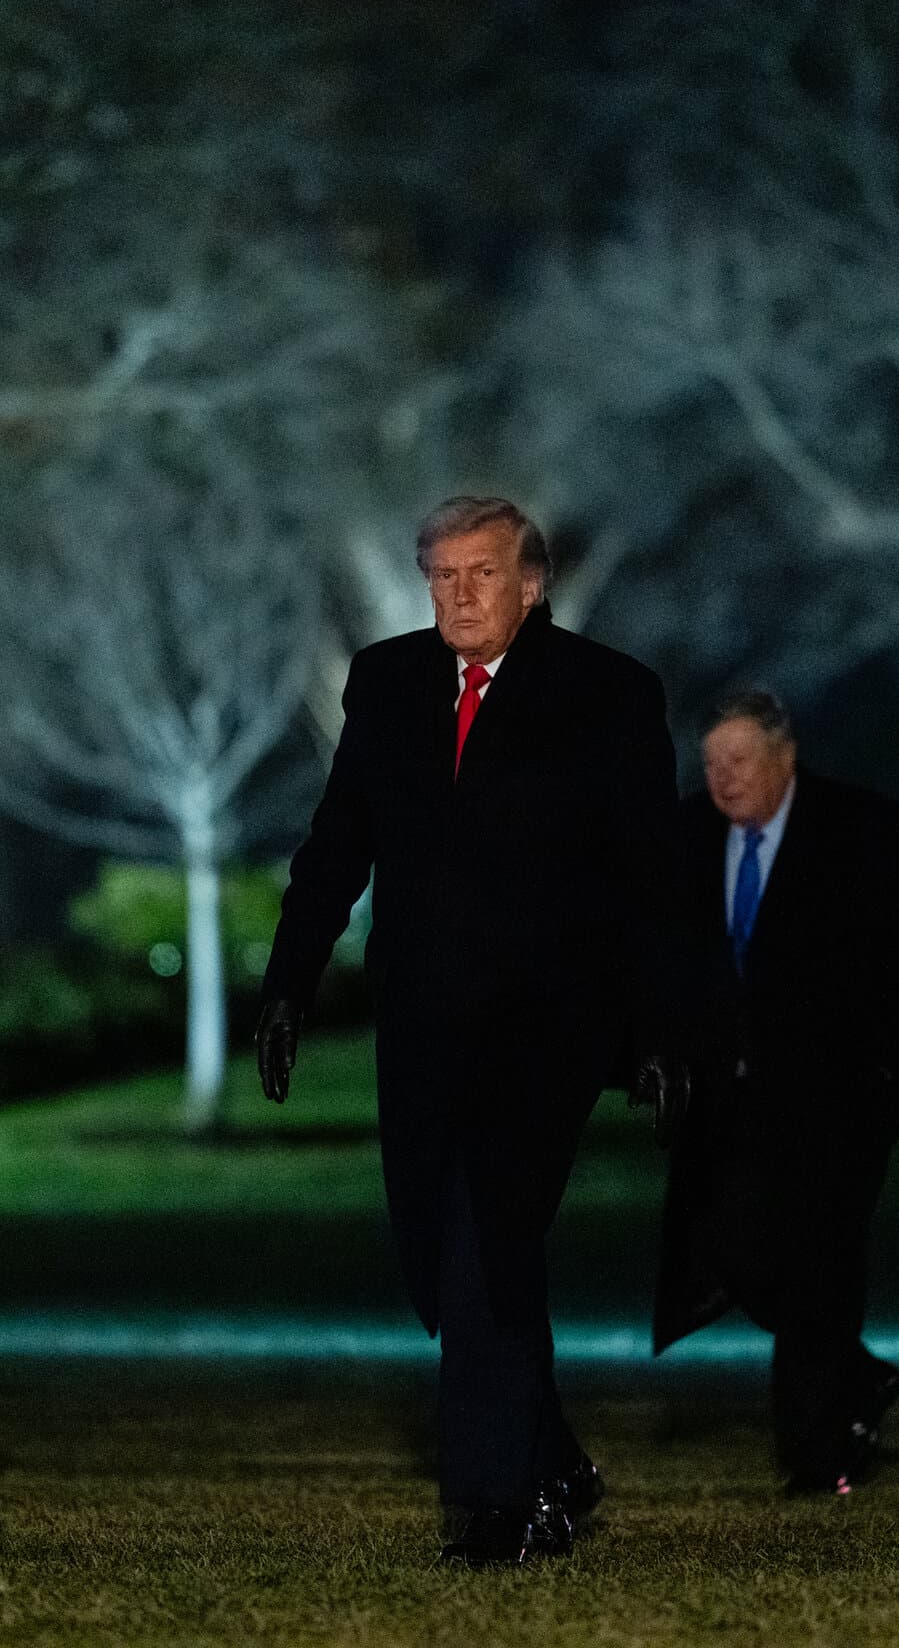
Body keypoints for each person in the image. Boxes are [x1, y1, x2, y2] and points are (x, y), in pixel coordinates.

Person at [255, 495, 691, 1568]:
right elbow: (337, 843)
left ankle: (496, 1508)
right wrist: (288, 987)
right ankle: (555, 1460)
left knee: (487, 1242)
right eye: (441, 575)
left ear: (530, 584)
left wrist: (665, 1027)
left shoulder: (607, 696)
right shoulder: (389, 683)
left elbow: (654, 879)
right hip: (424, 1025)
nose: (458, 594)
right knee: (443, 1253)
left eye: (482, 574)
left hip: (549, 1028)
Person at [653, 691, 899, 1495]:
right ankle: (852, 1379)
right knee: (739, 1251)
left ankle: (817, 1454)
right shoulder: (686, 836)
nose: (723, 779)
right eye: (712, 762)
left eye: (739, 761)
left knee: (821, 1260)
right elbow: (660, 960)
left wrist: (888, 1074)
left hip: (837, 1101)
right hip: (728, 1104)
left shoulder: (866, 832)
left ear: (785, 757)